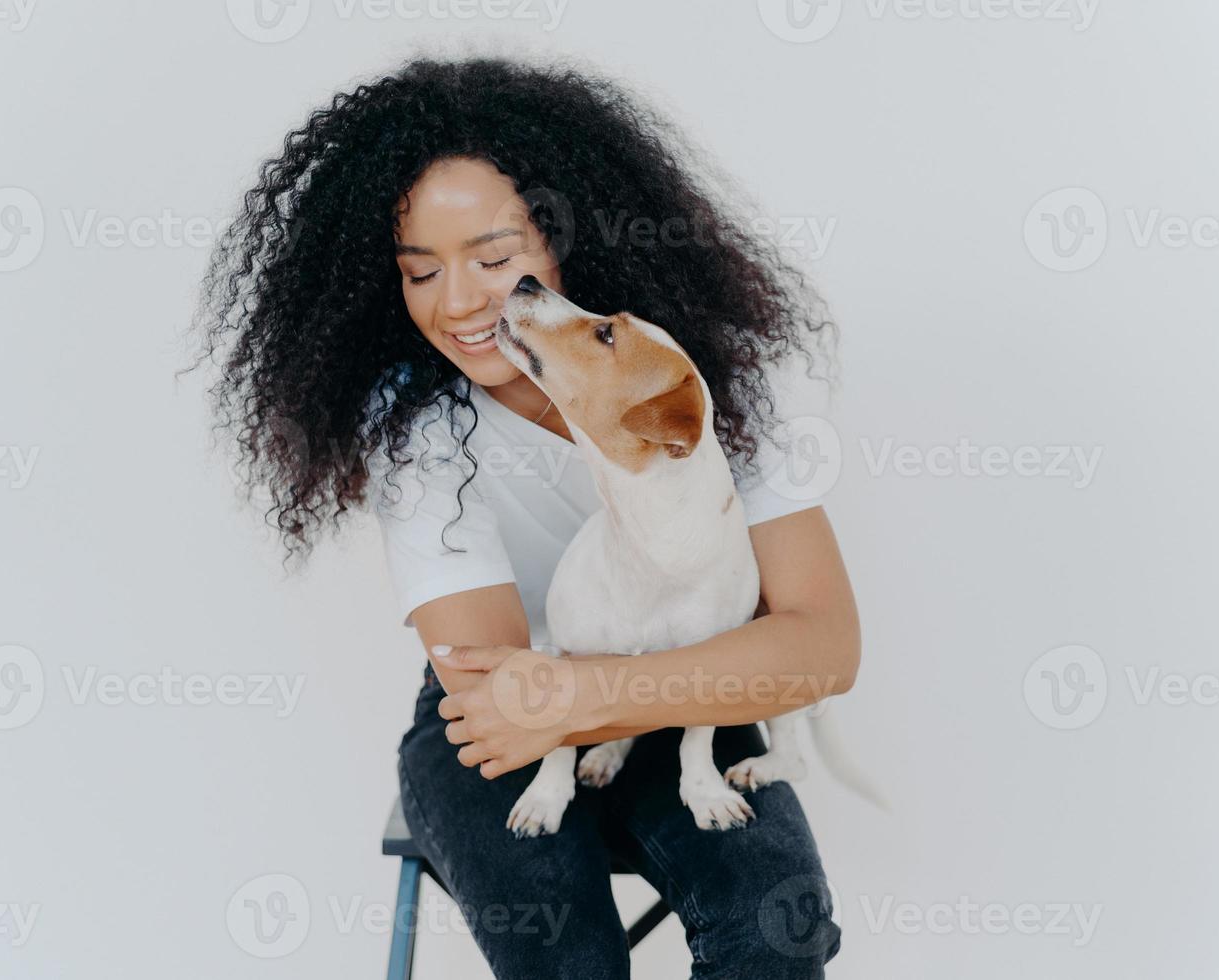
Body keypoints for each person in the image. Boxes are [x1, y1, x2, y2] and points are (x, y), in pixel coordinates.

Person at [192, 52, 860, 979]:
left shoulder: (699, 389)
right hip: (494, 726)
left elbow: (823, 648)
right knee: (565, 957)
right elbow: (493, 690)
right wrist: (592, 698)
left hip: (687, 698)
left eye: (496, 258)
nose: (460, 303)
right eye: (420, 272)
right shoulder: (417, 428)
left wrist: (597, 698)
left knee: (773, 926)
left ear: (569, 245)